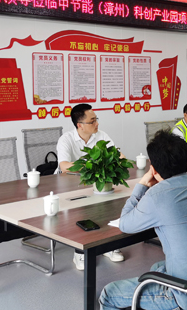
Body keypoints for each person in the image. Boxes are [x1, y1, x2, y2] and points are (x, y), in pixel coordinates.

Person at [99, 130, 187, 310]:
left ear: (153, 168)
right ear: (186, 160)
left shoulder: (157, 195)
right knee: (158, 267)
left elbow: (125, 224)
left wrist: (141, 186)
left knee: (109, 293)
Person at [56, 103, 125, 268]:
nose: (97, 123)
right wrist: (94, 166)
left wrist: (98, 166)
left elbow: (120, 156)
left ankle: (108, 245)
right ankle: (79, 253)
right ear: (79, 125)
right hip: (69, 185)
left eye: (96, 119)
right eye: (92, 121)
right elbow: (64, 166)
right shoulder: (66, 139)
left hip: (94, 181)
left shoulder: (101, 136)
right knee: (81, 210)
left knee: (110, 205)